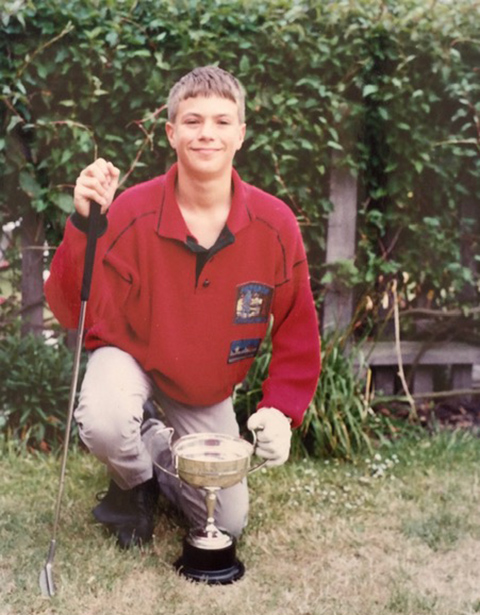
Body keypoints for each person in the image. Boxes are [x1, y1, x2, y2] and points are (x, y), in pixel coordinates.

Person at [45, 66, 321, 549]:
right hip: (129, 356)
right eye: (192, 121)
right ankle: (135, 483)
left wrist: (281, 410)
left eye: (221, 121)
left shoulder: (275, 224)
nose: (207, 133)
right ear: (171, 134)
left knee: (227, 523)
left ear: (241, 134)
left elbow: (298, 327)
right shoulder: (130, 210)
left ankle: (152, 440)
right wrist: (85, 224)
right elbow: (73, 311)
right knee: (105, 421)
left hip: (203, 387)